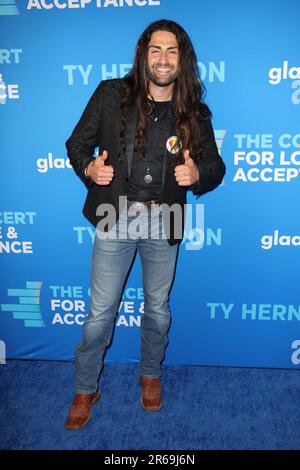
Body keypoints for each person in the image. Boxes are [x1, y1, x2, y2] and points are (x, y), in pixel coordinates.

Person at [64, 19, 226, 430]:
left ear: (182, 58)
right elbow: (76, 144)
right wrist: (89, 168)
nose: (163, 58)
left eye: (172, 51)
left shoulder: (194, 111)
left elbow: (215, 166)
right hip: (113, 215)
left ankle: (150, 375)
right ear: (143, 54)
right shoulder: (110, 94)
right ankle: (86, 388)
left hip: (164, 217)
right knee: (100, 312)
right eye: (156, 49)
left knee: (157, 309)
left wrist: (197, 176)